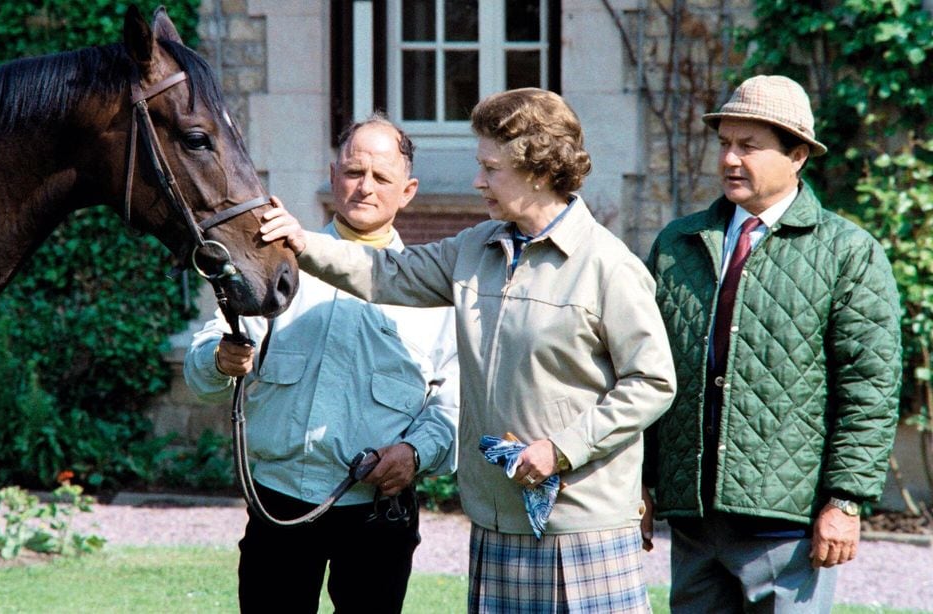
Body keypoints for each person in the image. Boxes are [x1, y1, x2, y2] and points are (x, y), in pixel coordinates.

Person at [259, 88, 676, 612]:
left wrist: (560, 447)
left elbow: (653, 381)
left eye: (490, 168)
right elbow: (386, 272)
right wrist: (300, 241)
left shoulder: (608, 267)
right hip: (495, 520)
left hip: (581, 526)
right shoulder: (475, 246)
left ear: (539, 171)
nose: (477, 180)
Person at [643, 75, 902, 612]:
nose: (731, 159)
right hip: (692, 523)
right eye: (725, 144)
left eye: (750, 146)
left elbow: (870, 390)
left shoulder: (849, 252)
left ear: (798, 155)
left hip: (788, 526)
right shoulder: (677, 244)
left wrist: (845, 501)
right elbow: (646, 373)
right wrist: (639, 485)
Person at [184, 114, 459, 614]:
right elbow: (203, 367)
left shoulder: (434, 290)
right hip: (279, 502)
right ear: (333, 176)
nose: (364, 188)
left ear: (409, 190)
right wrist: (221, 360)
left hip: (379, 511)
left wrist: (415, 453)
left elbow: (453, 403)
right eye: (354, 173)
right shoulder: (275, 264)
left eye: (381, 178)